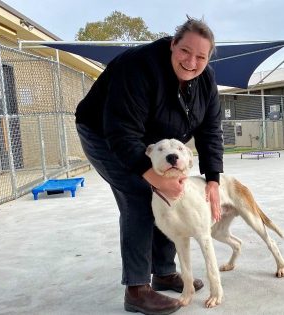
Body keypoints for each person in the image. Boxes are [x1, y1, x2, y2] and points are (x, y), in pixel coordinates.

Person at [76, 17, 223, 315]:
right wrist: (150, 177)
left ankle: (165, 271)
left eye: (201, 57)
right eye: (185, 51)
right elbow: (120, 131)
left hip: (149, 138)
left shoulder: (206, 82)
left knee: (171, 196)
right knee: (139, 193)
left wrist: (213, 179)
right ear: (172, 45)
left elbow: (210, 130)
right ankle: (137, 289)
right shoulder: (139, 67)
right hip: (104, 132)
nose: (191, 62)